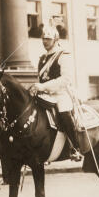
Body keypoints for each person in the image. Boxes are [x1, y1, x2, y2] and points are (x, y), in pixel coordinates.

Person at [29, 24, 82, 161]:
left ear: (55, 40)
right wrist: (37, 88)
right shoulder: (42, 58)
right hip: (45, 94)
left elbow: (66, 79)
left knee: (63, 112)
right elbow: (40, 78)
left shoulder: (63, 55)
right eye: (43, 39)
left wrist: (43, 86)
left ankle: (75, 147)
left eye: (48, 39)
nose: (45, 41)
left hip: (61, 93)